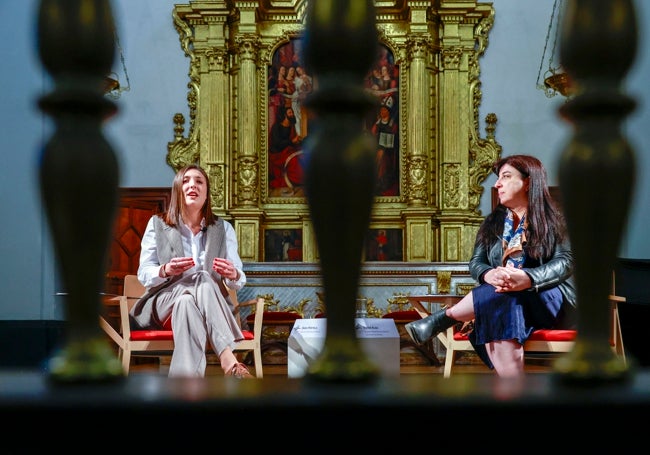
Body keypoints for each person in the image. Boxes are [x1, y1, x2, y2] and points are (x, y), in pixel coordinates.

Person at [405, 154, 576, 378]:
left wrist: (528, 278)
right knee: (504, 297)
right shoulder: (492, 223)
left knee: (504, 296)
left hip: (546, 300)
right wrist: (489, 274)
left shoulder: (556, 219)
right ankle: (512, 391)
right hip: (506, 301)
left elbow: (566, 261)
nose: (497, 184)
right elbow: (477, 263)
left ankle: (447, 317)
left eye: (506, 177)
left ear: (528, 182)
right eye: (498, 178)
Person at [129, 164, 253, 379]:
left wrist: (233, 274)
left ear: (207, 192)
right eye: (186, 181)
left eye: (199, 181)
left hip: (199, 306)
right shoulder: (157, 224)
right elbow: (144, 273)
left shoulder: (223, 229)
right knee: (202, 277)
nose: (192, 185)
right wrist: (166, 269)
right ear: (177, 189)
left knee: (187, 304)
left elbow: (238, 279)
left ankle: (184, 388)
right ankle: (228, 359)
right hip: (164, 302)